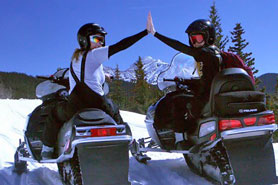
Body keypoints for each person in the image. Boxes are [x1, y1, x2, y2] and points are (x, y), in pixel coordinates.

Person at [41, 23, 148, 159]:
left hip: (76, 105)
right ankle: (131, 144)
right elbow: (121, 45)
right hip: (99, 104)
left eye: (102, 40)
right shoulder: (95, 55)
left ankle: (47, 149)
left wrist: (106, 76)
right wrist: (145, 32)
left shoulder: (78, 57)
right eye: (96, 39)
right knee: (116, 114)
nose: (100, 43)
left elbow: (86, 74)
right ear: (85, 40)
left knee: (54, 114)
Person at [146, 12, 222, 122]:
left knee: (174, 104)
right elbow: (207, 80)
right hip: (212, 97)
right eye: (192, 39)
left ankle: (181, 137)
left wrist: (155, 34)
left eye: (198, 38)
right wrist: (184, 81)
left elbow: (179, 46)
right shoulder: (212, 54)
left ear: (209, 37)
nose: (194, 43)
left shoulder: (208, 52)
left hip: (208, 99)